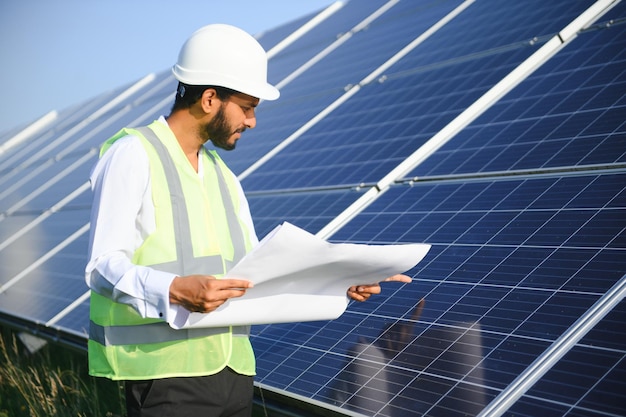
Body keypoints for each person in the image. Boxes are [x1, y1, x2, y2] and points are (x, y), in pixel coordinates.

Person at [85, 23, 412, 417]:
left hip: (235, 373)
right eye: (247, 107)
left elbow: (258, 274)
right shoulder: (133, 154)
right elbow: (103, 266)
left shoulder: (225, 177)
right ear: (209, 99)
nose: (253, 121)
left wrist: (340, 281)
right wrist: (174, 289)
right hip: (166, 376)